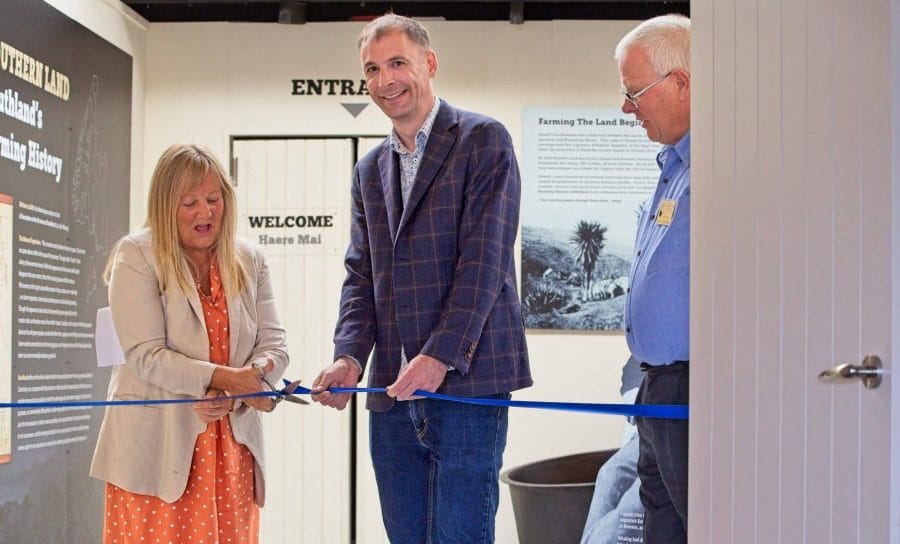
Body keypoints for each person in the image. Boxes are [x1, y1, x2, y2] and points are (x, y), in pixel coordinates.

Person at [311, 13, 532, 543]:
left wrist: (439, 356)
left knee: (461, 535)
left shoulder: (484, 141)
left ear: (429, 64)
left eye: (397, 63)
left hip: (468, 383)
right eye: (372, 68)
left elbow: (484, 262)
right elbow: (361, 274)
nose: (385, 80)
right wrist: (348, 354)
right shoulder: (370, 170)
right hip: (391, 389)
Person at [90, 143, 289, 544]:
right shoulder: (137, 256)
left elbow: (275, 345)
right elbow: (147, 356)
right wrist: (232, 381)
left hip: (230, 451)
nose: (206, 212)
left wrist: (244, 384)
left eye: (214, 199)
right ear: (166, 206)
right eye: (190, 203)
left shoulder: (249, 257)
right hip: (156, 452)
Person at [614, 14, 691, 544]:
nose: (626, 107)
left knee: (701, 521)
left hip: (695, 387)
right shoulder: (673, 167)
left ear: (682, 82)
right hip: (656, 385)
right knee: (662, 525)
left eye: (634, 92)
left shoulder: (727, 166)